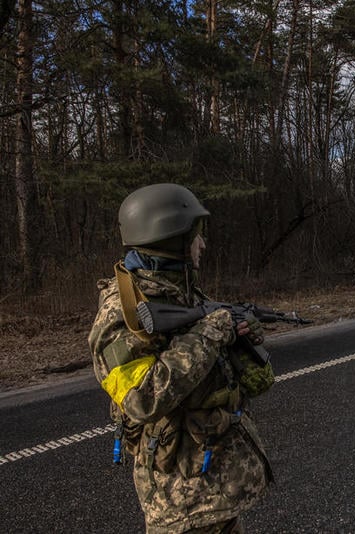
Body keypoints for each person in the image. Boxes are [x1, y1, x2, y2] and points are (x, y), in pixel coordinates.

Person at [88, 183, 272, 533]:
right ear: (170, 239)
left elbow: (234, 380)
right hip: (181, 507)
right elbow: (141, 398)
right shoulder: (123, 311)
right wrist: (211, 333)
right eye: (195, 236)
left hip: (216, 489)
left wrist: (243, 343)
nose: (203, 244)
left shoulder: (182, 296)